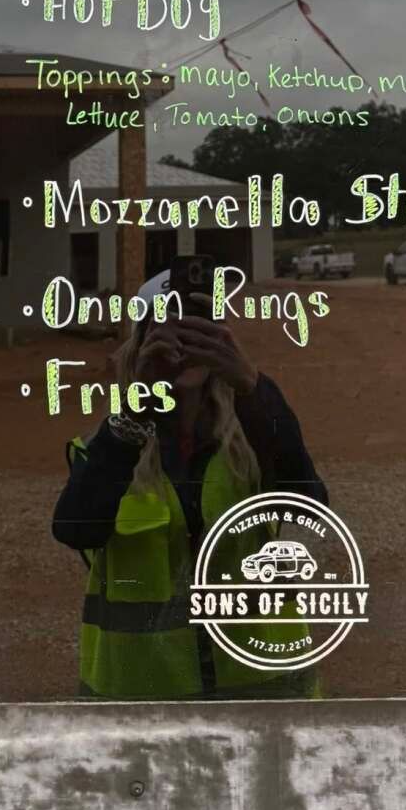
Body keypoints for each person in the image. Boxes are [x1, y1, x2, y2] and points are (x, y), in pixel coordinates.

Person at [52, 270, 327, 699]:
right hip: (144, 702)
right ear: (140, 347)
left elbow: (309, 509)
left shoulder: (256, 438)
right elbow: (75, 529)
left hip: (262, 696)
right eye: (166, 327)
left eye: (199, 326)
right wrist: (137, 407)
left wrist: (252, 387)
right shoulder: (108, 446)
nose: (183, 342)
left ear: (222, 344)